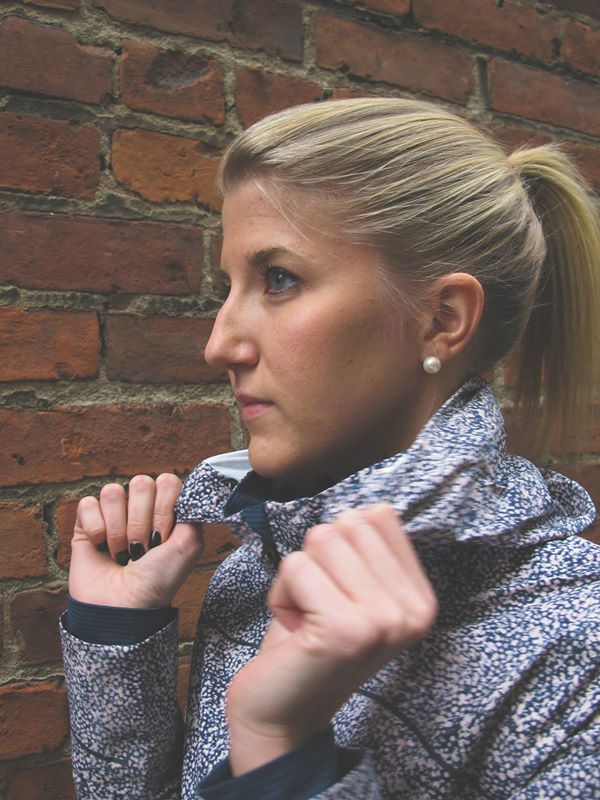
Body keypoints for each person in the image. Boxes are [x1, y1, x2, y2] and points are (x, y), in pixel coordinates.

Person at [61, 98, 600, 799]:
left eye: (279, 279)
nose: (219, 344)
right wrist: (116, 631)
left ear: (443, 319)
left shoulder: (575, 654)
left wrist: (283, 752)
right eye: (229, 287)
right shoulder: (258, 568)